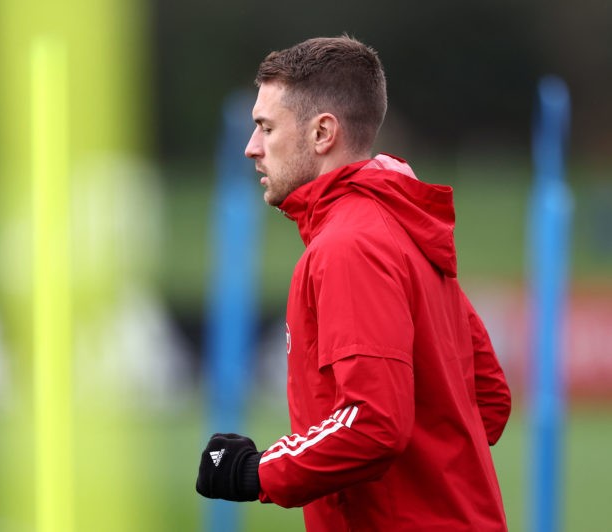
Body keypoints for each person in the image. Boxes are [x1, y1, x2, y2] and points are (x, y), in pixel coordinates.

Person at [196, 35, 512, 531]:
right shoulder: (402, 224)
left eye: (266, 128)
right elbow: (489, 399)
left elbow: (372, 422)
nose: (251, 148)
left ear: (323, 133)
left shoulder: (350, 245)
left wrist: (255, 471)